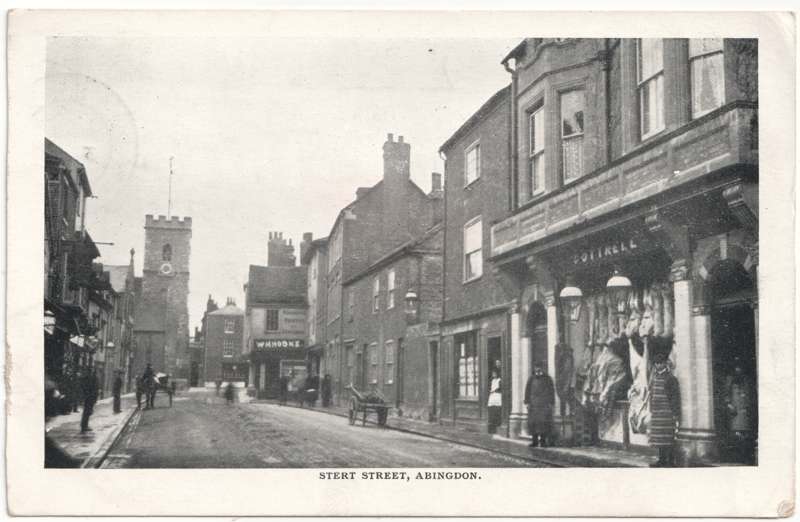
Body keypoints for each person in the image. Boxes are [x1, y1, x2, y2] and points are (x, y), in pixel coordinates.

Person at [647, 344, 681, 467]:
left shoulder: (670, 378)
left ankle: (670, 461)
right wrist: (651, 408)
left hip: (667, 412)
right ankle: (661, 460)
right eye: (656, 363)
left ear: (665, 363)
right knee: (659, 438)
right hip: (657, 412)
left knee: (668, 437)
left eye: (660, 363)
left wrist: (675, 413)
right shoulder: (654, 377)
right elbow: (651, 393)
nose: (658, 365)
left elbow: (675, 397)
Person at [725, 358, 757, 464]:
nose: (738, 369)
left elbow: (748, 395)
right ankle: (736, 457)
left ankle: (744, 457)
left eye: (740, 367)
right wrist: (729, 405)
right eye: (736, 367)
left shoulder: (746, 380)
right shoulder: (730, 380)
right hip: (734, 411)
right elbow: (726, 395)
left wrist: (747, 407)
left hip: (744, 411)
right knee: (735, 435)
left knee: (745, 435)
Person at [524, 362, 555, 447]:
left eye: (539, 367)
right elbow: (527, 391)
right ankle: (534, 441)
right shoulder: (531, 379)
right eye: (536, 367)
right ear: (534, 368)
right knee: (533, 423)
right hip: (533, 404)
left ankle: (543, 441)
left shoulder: (547, 379)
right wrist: (527, 402)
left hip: (543, 404)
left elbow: (551, 391)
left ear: (542, 368)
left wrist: (551, 403)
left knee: (543, 423)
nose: (537, 369)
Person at [79, 367, 99, 433]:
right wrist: (94, 398)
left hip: (88, 397)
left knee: (87, 412)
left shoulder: (86, 378)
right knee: (87, 412)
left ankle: (84, 425)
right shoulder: (91, 379)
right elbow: (94, 389)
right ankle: (84, 426)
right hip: (90, 398)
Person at [487, 369, 502, 434]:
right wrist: (491, 390)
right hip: (492, 396)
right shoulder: (492, 381)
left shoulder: (499, 380)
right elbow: (490, 387)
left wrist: (495, 390)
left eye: (494, 373)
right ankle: (492, 428)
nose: (493, 375)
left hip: (497, 396)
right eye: (493, 373)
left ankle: (497, 425)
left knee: (497, 410)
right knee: (492, 410)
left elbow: (500, 388)